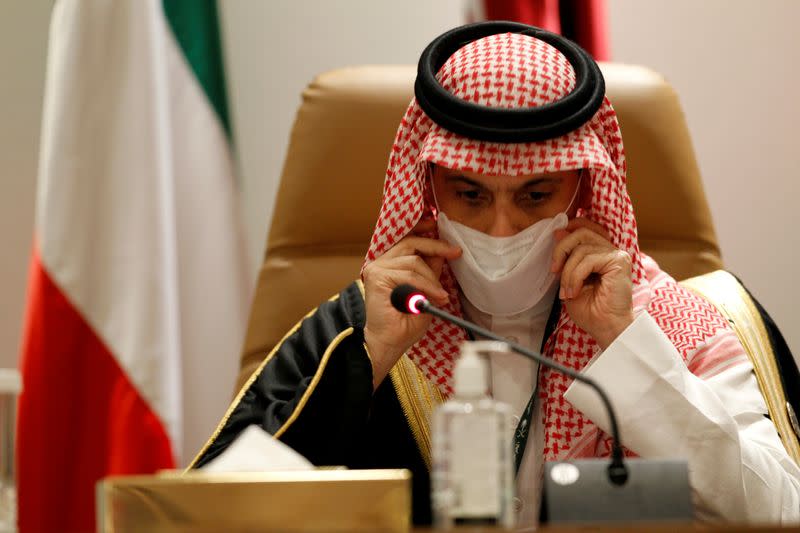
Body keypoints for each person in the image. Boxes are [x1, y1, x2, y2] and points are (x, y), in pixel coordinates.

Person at [189, 22, 800, 526]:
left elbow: (779, 512)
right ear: (427, 185)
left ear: (583, 186)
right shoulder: (371, 323)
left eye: (535, 196)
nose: (502, 231)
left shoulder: (678, 319)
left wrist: (629, 346)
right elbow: (204, 513)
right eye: (470, 195)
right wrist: (368, 360)